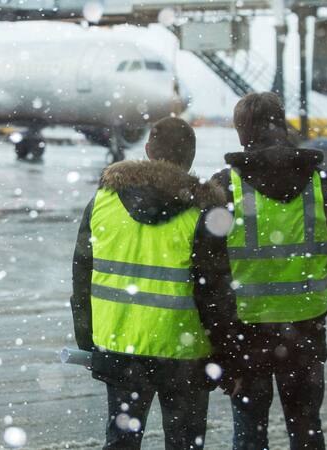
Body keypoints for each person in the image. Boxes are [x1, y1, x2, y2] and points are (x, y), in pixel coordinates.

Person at [196, 92, 327, 450]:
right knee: (306, 429)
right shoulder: (321, 181)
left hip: (246, 335)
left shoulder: (226, 187)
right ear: (281, 125)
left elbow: (206, 275)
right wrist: (322, 291)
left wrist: (221, 347)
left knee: (249, 432)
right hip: (305, 332)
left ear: (242, 132)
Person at [70, 117, 229, 449]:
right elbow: (214, 294)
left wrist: (87, 342)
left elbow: (82, 277)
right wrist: (225, 352)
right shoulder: (203, 213)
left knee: (121, 441)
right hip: (184, 350)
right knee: (185, 442)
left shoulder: (102, 201)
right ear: (190, 159)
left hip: (119, 344)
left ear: (147, 151)